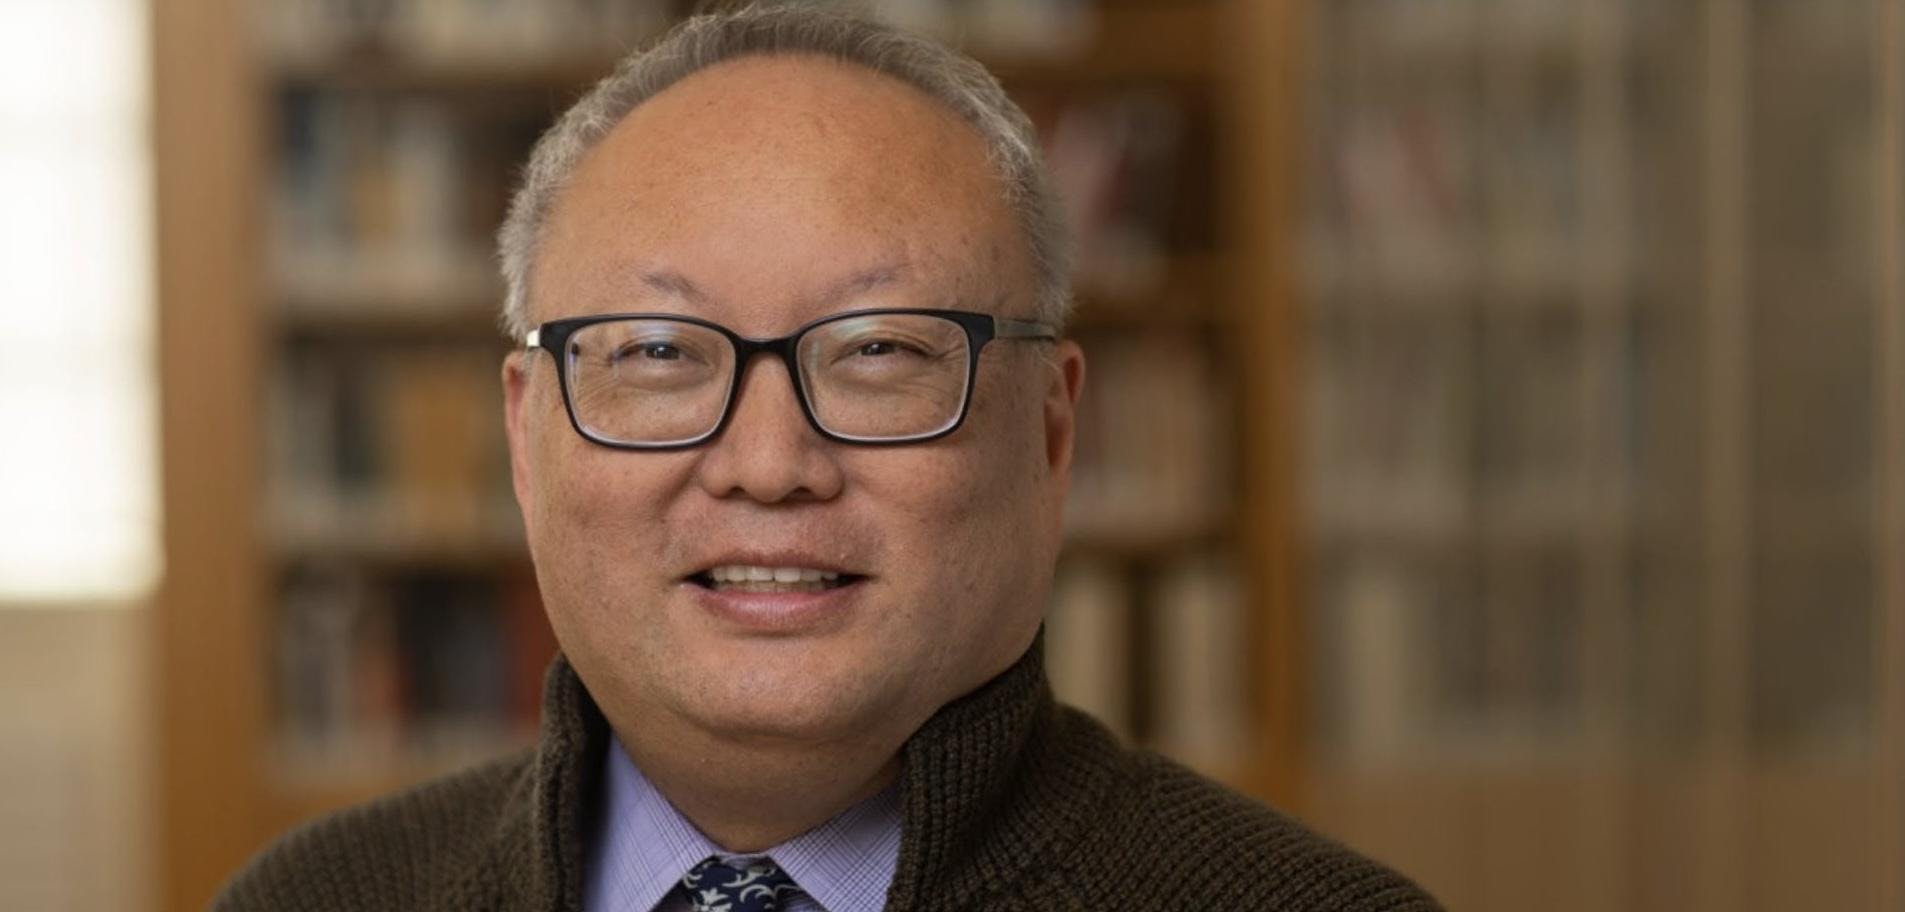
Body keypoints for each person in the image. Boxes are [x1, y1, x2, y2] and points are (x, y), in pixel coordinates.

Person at [216, 6, 1441, 911]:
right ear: (525, 439)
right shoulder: (312, 898)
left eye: (879, 352)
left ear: (1052, 436)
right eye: (655, 352)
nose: (768, 462)